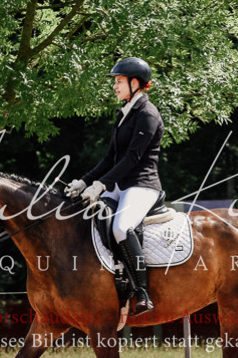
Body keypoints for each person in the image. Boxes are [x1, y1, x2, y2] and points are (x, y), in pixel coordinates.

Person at [65, 57, 164, 314]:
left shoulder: (148, 115)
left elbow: (132, 158)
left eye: (119, 82)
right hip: (119, 185)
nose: (115, 86)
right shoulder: (124, 113)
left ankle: (142, 292)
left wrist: (101, 185)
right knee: (85, 217)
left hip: (142, 186)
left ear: (135, 83)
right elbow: (110, 158)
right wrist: (84, 182)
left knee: (121, 227)